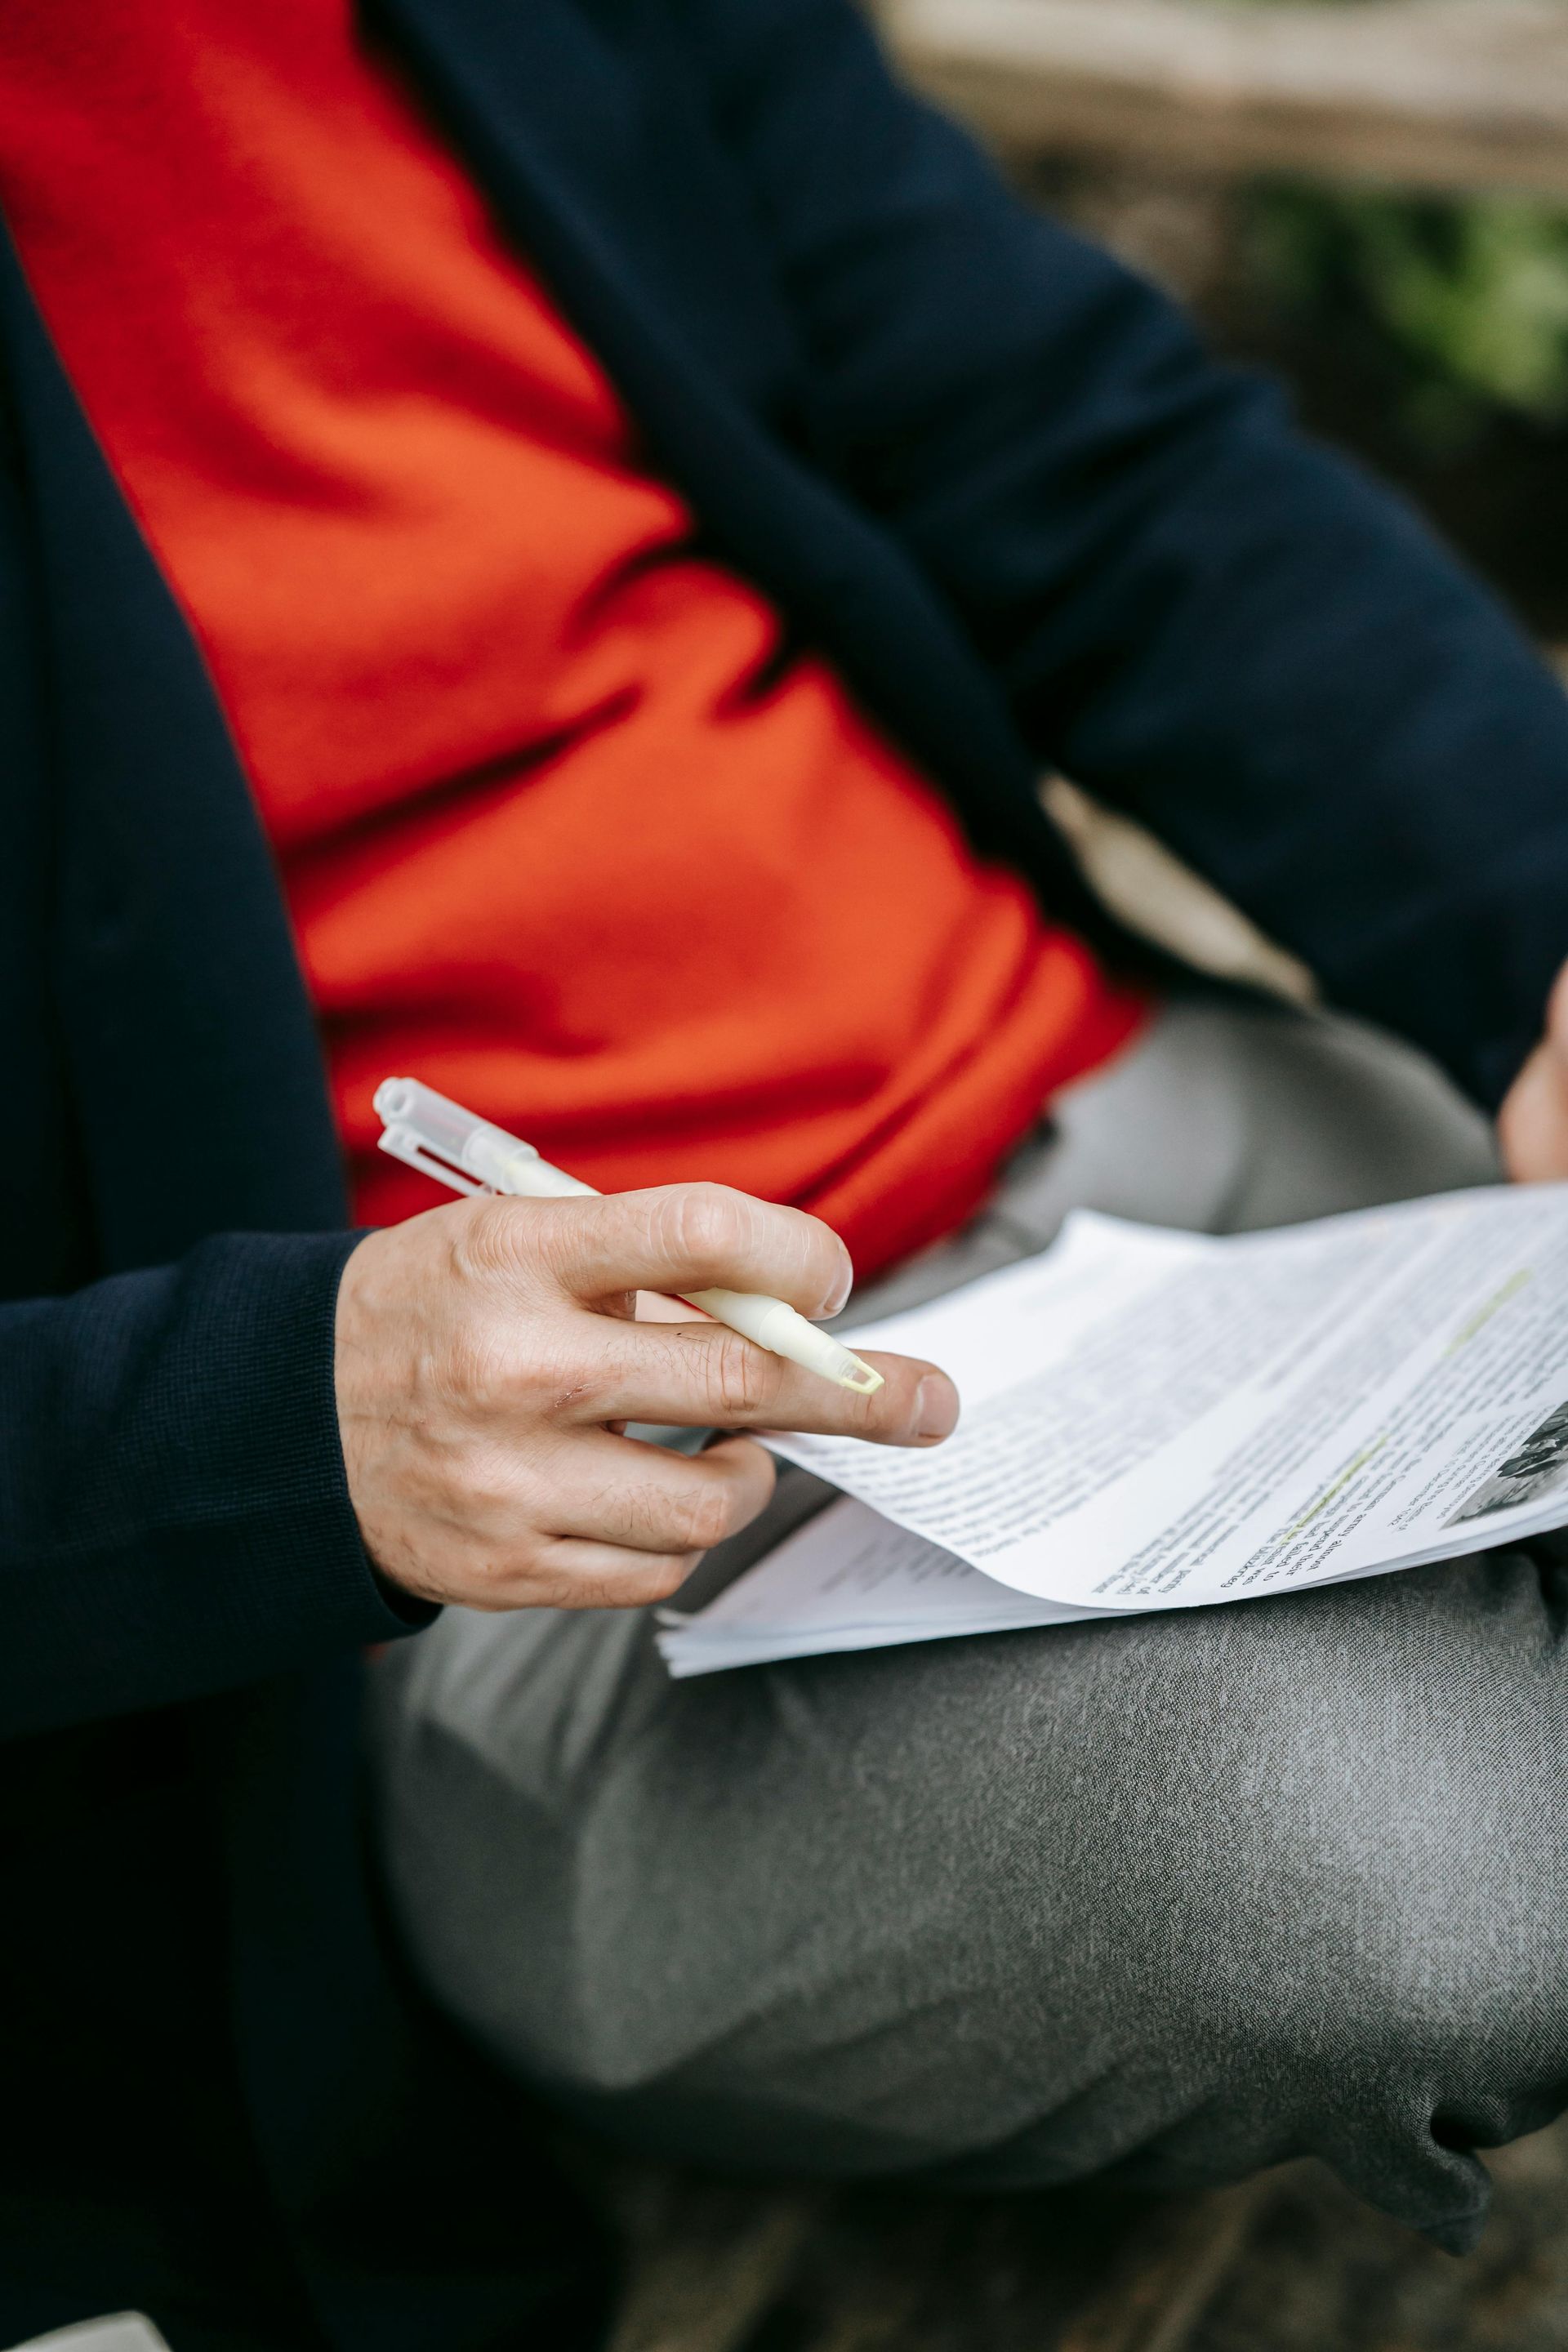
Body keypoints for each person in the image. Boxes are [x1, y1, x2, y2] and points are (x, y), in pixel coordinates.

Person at [5, 0, 1568, 2341]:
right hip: (536, 1535)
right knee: (1417, 1884)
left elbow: (1081, 448)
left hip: (1140, 1120)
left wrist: (1546, 914)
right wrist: (251, 1428)